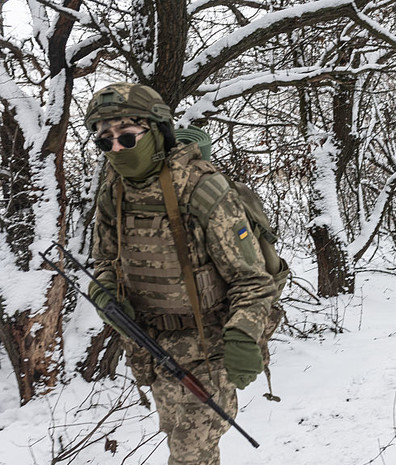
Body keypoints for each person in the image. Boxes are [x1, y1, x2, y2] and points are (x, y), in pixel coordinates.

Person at [86, 82, 279, 465]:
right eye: (106, 142)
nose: (117, 149)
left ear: (157, 130)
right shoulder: (115, 193)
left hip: (210, 347)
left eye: (126, 136)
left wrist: (243, 335)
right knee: (182, 440)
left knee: (190, 455)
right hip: (155, 346)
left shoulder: (203, 189)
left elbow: (252, 280)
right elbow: (105, 261)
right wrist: (105, 292)